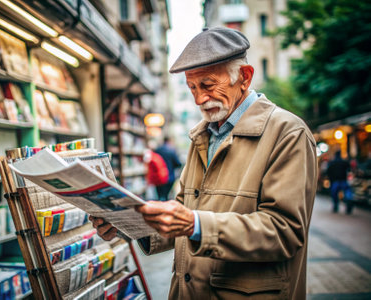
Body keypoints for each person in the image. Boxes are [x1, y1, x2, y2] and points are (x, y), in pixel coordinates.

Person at [90, 26, 317, 299]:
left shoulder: (287, 133)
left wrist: (196, 224)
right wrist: (129, 224)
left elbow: (284, 231)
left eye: (208, 85)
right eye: (192, 88)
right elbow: (184, 211)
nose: (199, 99)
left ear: (244, 77)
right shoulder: (204, 134)